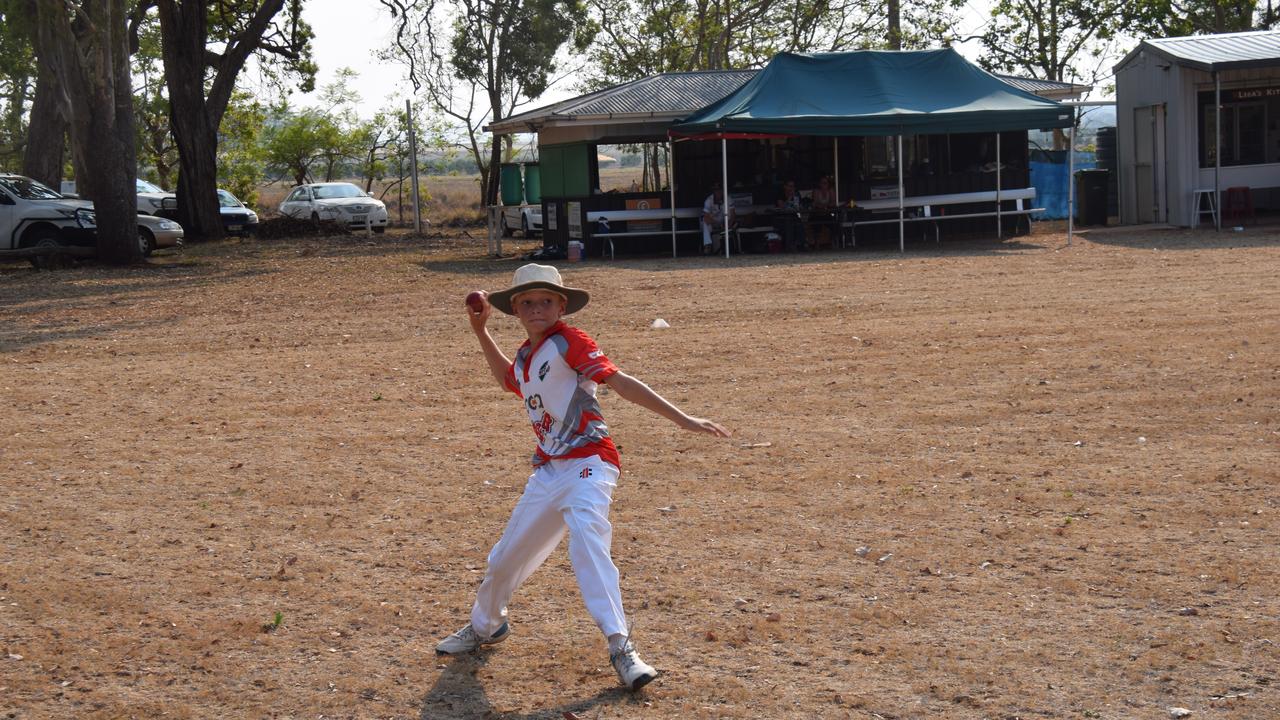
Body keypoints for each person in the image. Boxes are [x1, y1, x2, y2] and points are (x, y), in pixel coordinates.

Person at [438, 263, 731, 692]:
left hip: (591, 462)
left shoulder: (571, 342)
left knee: (588, 538)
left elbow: (619, 381)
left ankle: (621, 646)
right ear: (515, 309)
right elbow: (510, 381)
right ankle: (485, 627)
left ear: (561, 306)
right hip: (548, 470)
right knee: (503, 561)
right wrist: (481, 332)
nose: (537, 308)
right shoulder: (525, 355)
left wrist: (682, 418)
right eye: (527, 302)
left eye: (546, 301)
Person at [700, 182, 734, 255]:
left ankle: (726, 248)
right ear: (713, 191)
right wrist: (716, 224)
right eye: (716, 190)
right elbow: (706, 217)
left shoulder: (728, 198)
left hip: (724, 221)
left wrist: (728, 225)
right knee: (705, 223)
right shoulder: (708, 200)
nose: (718, 192)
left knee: (726, 210)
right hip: (712, 221)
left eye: (720, 190)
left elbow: (733, 213)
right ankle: (707, 246)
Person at [774, 179, 806, 251]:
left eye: (793, 186)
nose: (792, 188)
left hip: (793, 216)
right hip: (782, 217)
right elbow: (782, 206)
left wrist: (800, 206)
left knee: (799, 224)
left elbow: (799, 206)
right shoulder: (780, 194)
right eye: (790, 186)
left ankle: (801, 245)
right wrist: (790, 198)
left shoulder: (796, 194)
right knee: (789, 224)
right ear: (785, 187)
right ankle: (789, 246)